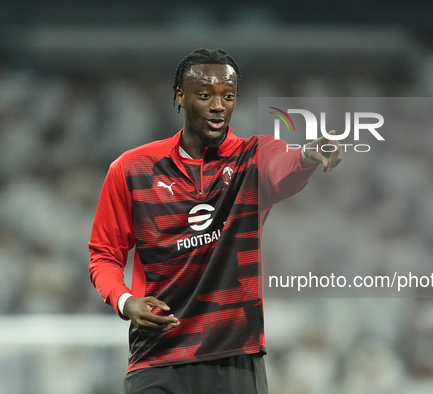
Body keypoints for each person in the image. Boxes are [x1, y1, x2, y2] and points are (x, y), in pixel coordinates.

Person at [88, 48, 342, 394]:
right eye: (205, 95)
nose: (219, 105)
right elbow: (104, 255)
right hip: (157, 357)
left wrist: (308, 155)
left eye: (228, 95)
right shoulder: (132, 169)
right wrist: (126, 301)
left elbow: (286, 166)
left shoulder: (252, 159)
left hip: (234, 359)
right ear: (180, 96)